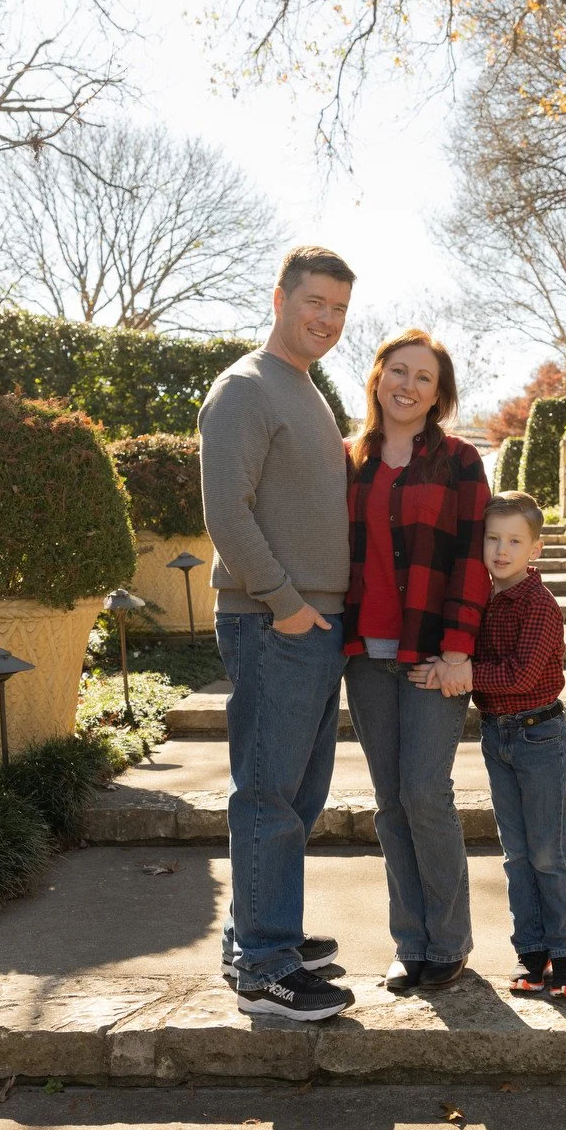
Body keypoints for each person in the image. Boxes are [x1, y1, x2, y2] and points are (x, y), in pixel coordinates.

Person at [198, 246, 358, 1021]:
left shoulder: (306, 390)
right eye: (314, 303)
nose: (325, 320)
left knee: (296, 793)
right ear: (280, 298)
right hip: (274, 621)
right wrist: (286, 604)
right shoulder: (244, 389)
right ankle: (265, 967)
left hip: (311, 622)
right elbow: (227, 512)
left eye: (338, 310)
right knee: (268, 793)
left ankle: (260, 938)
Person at [341, 331, 492, 992]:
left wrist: (460, 646)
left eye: (423, 378)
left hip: (432, 655)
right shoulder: (348, 459)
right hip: (363, 656)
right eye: (397, 371)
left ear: (440, 394)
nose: (407, 385)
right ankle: (411, 943)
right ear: (377, 378)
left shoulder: (459, 462)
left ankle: (449, 940)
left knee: (424, 792)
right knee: (389, 802)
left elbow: (473, 557)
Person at [416, 490, 566, 998]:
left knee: (547, 853)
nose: (502, 550)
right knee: (515, 854)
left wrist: (461, 673)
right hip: (499, 736)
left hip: (539, 736)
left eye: (515, 540)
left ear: (535, 548)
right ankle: (531, 954)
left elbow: (522, 673)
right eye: (492, 538)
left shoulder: (537, 603)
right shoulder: (481, 600)